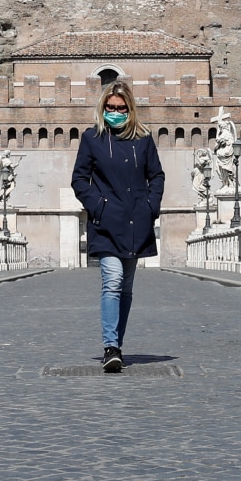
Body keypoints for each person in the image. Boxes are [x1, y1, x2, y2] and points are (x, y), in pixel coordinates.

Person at [71, 79, 165, 373]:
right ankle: (110, 346)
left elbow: (156, 176)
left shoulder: (144, 140)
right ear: (102, 108)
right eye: (110, 108)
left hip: (137, 222)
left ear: (130, 109)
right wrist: (99, 206)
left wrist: (150, 207)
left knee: (125, 288)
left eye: (121, 108)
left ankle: (117, 346)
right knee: (112, 281)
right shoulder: (92, 138)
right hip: (106, 224)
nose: (115, 113)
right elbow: (79, 179)